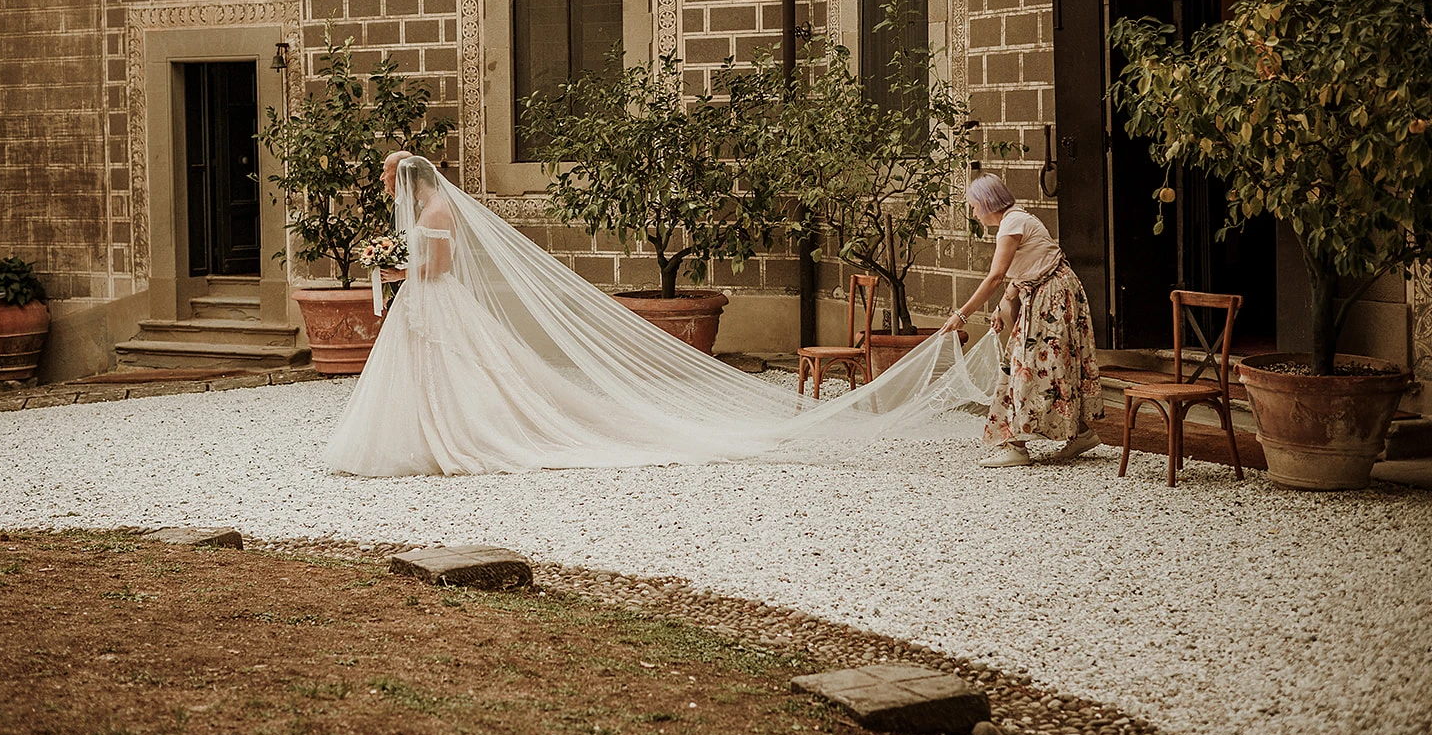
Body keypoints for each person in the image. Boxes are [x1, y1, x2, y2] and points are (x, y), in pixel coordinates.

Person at [322, 154, 1002, 477]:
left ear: (407, 182)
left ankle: (443, 437)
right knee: (448, 373)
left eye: (387, 182)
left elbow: (436, 269)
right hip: (428, 306)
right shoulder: (435, 208)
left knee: (458, 372)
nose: (386, 191)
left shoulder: (434, 213)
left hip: (431, 300)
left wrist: (399, 272)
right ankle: (429, 434)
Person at [938, 174, 1104, 468]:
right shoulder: (1016, 220)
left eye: (975, 206)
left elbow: (996, 276)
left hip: (1051, 297)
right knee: (1048, 365)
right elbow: (1025, 270)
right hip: (1048, 293)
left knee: (1028, 366)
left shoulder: (1012, 224)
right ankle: (1080, 433)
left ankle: (1017, 445)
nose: (974, 213)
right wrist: (1003, 304)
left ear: (988, 204)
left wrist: (962, 314)